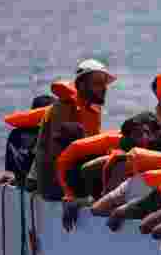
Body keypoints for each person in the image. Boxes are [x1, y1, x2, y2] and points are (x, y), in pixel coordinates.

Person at [30, 59, 115, 201]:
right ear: (82, 85)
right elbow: (59, 156)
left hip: (75, 175)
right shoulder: (64, 108)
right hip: (55, 184)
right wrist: (70, 194)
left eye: (105, 83)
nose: (104, 88)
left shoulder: (93, 110)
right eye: (98, 84)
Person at [2, 94, 55, 187]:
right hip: (47, 184)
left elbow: (9, 170)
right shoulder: (58, 132)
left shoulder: (16, 134)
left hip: (23, 182)